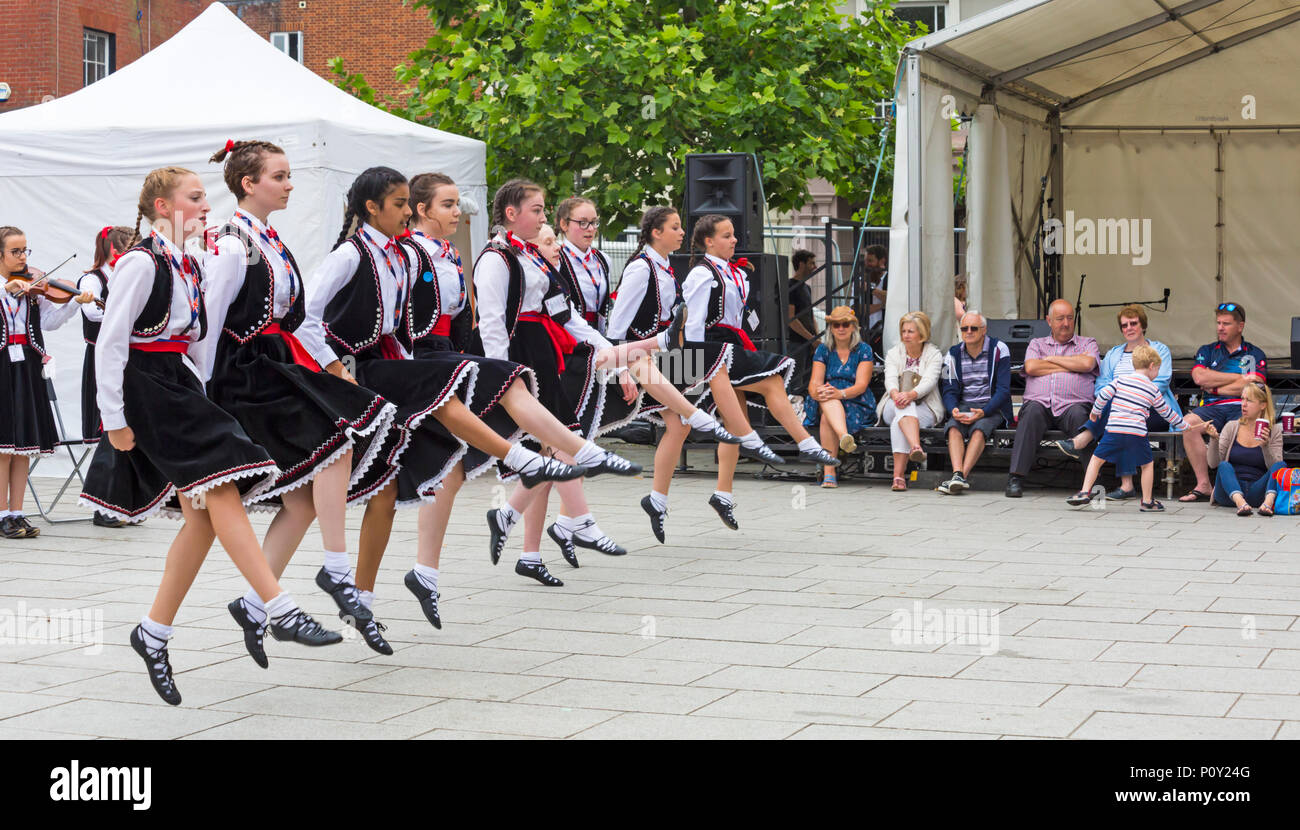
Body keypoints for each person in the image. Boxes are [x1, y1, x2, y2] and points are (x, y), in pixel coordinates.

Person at [79, 167, 341, 705]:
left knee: (201, 517)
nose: (205, 207)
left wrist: (204, 394)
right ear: (160, 205)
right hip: (146, 389)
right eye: (194, 198)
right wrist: (114, 419)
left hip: (178, 385)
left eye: (205, 198)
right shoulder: (139, 262)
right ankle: (278, 606)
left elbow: (198, 343)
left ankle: (152, 634)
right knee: (221, 485)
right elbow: (110, 344)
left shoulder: (189, 262)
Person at [198, 140, 401, 659]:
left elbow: (295, 318)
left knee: (303, 499)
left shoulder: (267, 238)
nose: (290, 184)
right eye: (280, 176)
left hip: (274, 362)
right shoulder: (230, 244)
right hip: (243, 372)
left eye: (289, 176)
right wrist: (202, 393)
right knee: (338, 441)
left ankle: (254, 604)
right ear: (249, 183)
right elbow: (210, 325)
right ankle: (336, 571)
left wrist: (326, 364)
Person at [475, 178, 694, 586]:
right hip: (523, 353)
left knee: (554, 448)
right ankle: (578, 520)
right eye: (538, 212)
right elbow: (492, 323)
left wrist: (602, 344)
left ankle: (526, 543)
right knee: (560, 445)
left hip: (545, 350)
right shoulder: (498, 258)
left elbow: (565, 316)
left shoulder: (533, 259)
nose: (548, 228)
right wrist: (499, 376)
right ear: (511, 214)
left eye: (544, 213)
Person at [608, 206, 772, 543]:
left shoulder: (666, 268)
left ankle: (656, 499)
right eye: (675, 227)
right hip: (637, 358)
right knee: (703, 398)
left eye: (681, 227)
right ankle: (734, 435)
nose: (682, 233)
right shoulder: (641, 268)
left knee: (678, 426)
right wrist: (622, 368)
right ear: (655, 232)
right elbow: (618, 324)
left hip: (661, 357)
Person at [683, 214, 840, 529]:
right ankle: (806, 443)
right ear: (708, 242)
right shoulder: (701, 274)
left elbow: (737, 314)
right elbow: (694, 325)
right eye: (726, 236)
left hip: (731, 344)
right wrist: (697, 365)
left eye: (733, 235)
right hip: (713, 349)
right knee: (771, 383)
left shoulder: (732, 271)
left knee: (734, 421)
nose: (734, 240)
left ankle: (723, 495)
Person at [0, 226, 97, 539]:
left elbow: (49, 322)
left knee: (22, 448)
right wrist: (7, 289)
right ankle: (1, 514)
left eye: (25, 251)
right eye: (16, 252)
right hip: (2, 367)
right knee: (3, 448)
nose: (23, 258)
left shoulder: (31, 291)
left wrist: (74, 303)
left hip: (27, 366)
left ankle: (17, 512)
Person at [1052, 304, 1179, 499]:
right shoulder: (1114, 354)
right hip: (1121, 412)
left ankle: (1084, 439)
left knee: (1120, 412)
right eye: (1124, 325)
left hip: (1154, 410)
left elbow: (1161, 382)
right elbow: (1101, 385)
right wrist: (1121, 397)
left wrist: (1127, 393)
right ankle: (1126, 485)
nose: (1129, 328)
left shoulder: (1158, 349)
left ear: (1143, 325)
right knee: (1119, 415)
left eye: (1133, 323)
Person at [1067, 346, 1188, 512]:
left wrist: (1095, 412)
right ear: (1152, 366)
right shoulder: (1153, 389)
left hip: (1114, 430)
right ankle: (1147, 501)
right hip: (1136, 433)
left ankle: (1084, 491)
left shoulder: (1120, 380)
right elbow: (1167, 413)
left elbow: (1103, 395)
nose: (1158, 373)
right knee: (1147, 465)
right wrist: (1186, 426)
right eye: (1158, 369)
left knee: (1096, 459)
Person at [1005, 299, 1099, 498]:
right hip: (1040, 404)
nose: (1066, 323)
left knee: (1081, 416)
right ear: (1049, 320)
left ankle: (1093, 482)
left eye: (1069, 318)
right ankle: (1015, 477)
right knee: (1030, 412)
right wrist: (1072, 364)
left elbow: (1088, 364)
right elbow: (1031, 368)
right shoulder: (1036, 344)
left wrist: (1050, 360)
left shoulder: (1087, 343)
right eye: (1060, 319)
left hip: (1073, 405)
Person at [1177, 302, 1267, 503]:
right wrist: (1239, 378)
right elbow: (1200, 378)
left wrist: (1216, 385)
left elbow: (1255, 384)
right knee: (1188, 424)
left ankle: (1228, 484)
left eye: (1226, 323)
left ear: (1240, 326)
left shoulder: (1254, 353)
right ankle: (1204, 484)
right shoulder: (1207, 350)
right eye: (1218, 323)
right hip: (1211, 407)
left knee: (1236, 427)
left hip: (1241, 406)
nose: (1220, 327)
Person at [79, 225, 136, 528]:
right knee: (109, 432)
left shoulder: (128, 275)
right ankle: (103, 505)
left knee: (129, 430)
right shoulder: (92, 279)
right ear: (113, 249)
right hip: (103, 360)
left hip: (129, 359)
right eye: (129, 246)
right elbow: (94, 314)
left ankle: (125, 503)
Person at [937, 310, 1012, 494]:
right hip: (964, 405)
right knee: (953, 426)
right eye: (964, 328)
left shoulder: (999, 349)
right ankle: (957, 475)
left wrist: (984, 411)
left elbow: (1003, 390)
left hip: (993, 407)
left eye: (974, 328)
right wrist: (953, 409)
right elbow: (949, 389)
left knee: (980, 428)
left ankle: (960, 476)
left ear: (984, 330)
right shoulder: (952, 354)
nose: (968, 332)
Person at [802, 306, 875, 488]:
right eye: (836, 325)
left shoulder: (863, 349)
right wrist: (818, 392)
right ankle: (844, 437)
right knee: (827, 397)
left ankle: (830, 472)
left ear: (853, 327)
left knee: (827, 417)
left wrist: (840, 393)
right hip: (827, 397)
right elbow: (814, 383)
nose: (840, 328)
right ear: (831, 328)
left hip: (854, 399)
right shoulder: (823, 350)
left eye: (845, 324)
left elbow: (861, 385)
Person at [877, 310, 945, 492]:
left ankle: (898, 477)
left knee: (902, 418)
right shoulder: (894, 353)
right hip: (893, 402)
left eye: (910, 332)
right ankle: (915, 445)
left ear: (922, 335)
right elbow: (889, 378)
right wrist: (896, 394)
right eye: (904, 331)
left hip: (925, 407)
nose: (905, 336)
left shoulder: (934, 355)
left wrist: (910, 395)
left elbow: (929, 382)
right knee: (901, 410)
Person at [1205, 381, 1284, 516]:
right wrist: (1213, 440)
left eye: (1249, 400)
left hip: (1257, 492)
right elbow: (1213, 464)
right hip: (1228, 493)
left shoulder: (1274, 430)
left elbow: (1274, 468)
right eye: (1242, 399)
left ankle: (1268, 504)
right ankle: (1240, 503)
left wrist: (1266, 446)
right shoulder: (1231, 426)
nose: (1244, 404)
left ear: (1263, 405)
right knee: (1224, 465)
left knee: (1280, 466)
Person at [554, 197, 611, 331]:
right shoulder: (556, 258)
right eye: (583, 222)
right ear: (564, 224)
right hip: (568, 336)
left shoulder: (602, 259)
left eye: (594, 222)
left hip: (598, 333)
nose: (591, 228)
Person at [787, 249, 818, 392]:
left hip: (808, 342)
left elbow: (810, 315)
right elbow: (791, 318)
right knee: (795, 383)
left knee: (808, 382)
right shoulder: (790, 286)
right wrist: (812, 339)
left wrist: (815, 338)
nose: (815, 267)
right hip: (796, 342)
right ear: (801, 264)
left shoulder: (807, 288)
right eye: (811, 263)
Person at [861, 244, 888, 356]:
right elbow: (858, 309)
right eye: (866, 261)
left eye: (870, 261)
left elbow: (892, 298)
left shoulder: (892, 278)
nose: (867, 265)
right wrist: (882, 306)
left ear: (882, 261)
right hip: (867, 333)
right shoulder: (860, 280)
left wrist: (871, 289)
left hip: (886, 333)